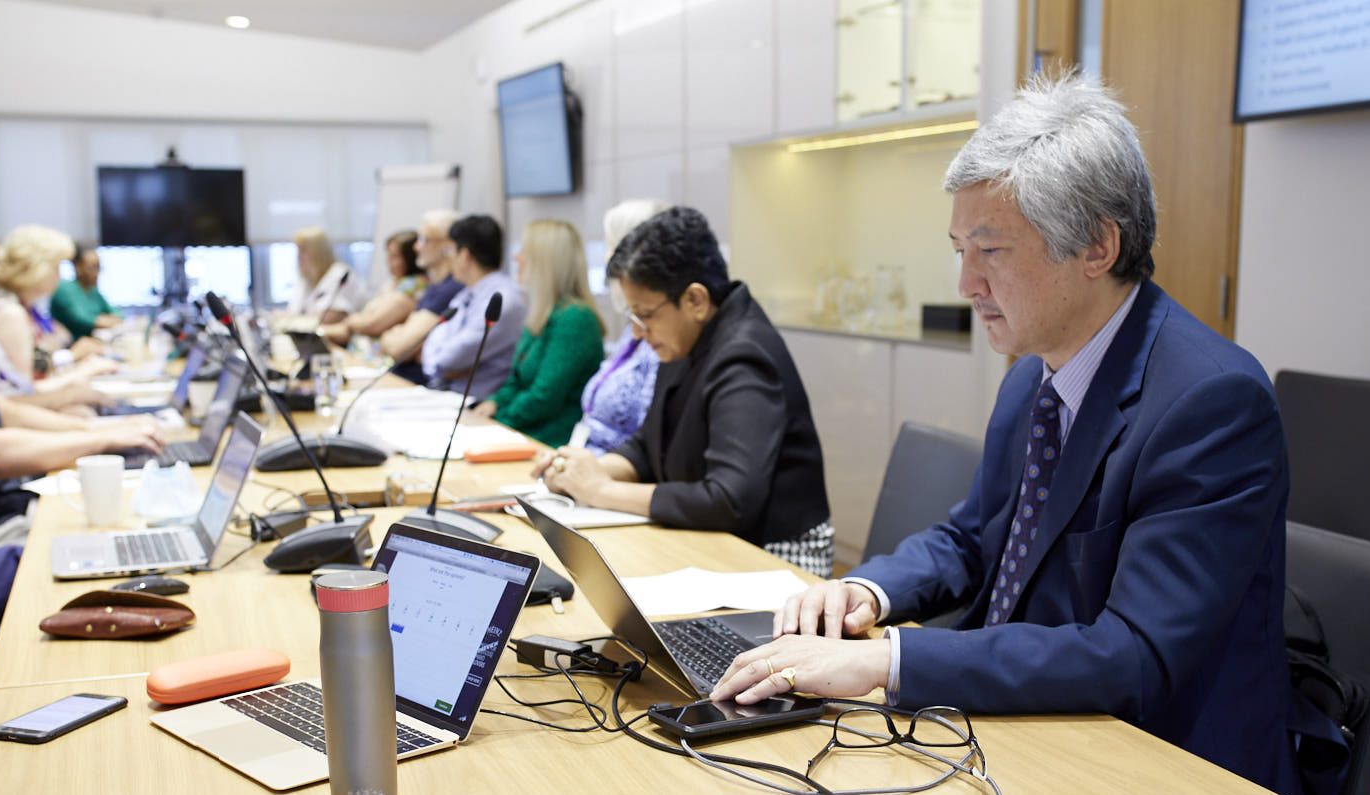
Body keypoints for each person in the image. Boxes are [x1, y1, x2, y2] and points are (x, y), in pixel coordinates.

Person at [709, 75, 1300, 795]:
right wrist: (867, 590)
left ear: (1097, 246)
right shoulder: (1034, 372)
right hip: (1022, 726)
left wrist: (887, 661)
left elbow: (1133, 655)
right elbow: (973, 536)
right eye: (958, 249)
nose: (964, 284)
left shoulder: (1211, 403)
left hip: (1160, 755)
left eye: (989, 251)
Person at [537, 208, 836, 576]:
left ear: (695, 300)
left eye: (645, 315)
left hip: (775, 556)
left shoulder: (745, 356)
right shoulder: (684, 336)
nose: (637, 332)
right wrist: (583, 472)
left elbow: (727, 500)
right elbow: (648, 445)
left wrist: (600, 491)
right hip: (714, 538)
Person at [0, 371, 162, 555]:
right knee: (122, 544)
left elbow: (10, 413)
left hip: (7, 509)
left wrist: (99, 429)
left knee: (139, 527)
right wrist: (103, 439)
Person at [470, 220, 603, 447]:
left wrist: (498, 421)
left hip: (546, 440)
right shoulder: (544, 314)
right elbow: (517, 379)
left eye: (524, 252)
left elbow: (545, 397)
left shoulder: (575, 319)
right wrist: (494, 403)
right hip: (522, 431)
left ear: (546, 262)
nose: (516, 258)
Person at [570, 199, 666, 454]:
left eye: (610, 245)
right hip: (587, 465)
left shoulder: (663, 338)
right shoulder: (633, 328)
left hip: (612, 476)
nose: (605, 258)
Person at [0, 235, 109, 411]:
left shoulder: (24, 307)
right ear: (37, 269)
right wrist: (79, 378)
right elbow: (20, 393)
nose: (60, 277)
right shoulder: (10, 313)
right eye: (56, 268)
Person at [420, 215, 526, 398]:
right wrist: (440, 367)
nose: (448, 259)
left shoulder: (504, 300)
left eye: (449, 252)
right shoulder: (465, 295)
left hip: (475, 404)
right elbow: (433, 346)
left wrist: (441, 366)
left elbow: (449, 360)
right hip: (447, 394)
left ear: (464, 255)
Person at [381, 209, 463, 383]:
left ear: (447, 246)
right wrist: (399, 335)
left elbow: (400, 348)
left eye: (424, 240)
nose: (416, 247)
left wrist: (396, 336)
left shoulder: (451, 288)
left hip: (419, 385)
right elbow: (403, 342)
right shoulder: (434, 286)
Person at [319, 230, 425, 346]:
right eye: (388, 254)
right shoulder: (392, 283)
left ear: (410, 258)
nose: (388, 260)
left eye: (394, 256)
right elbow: (352, 327)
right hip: (356, 344)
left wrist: (352, 320)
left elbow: (371, 324)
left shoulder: (413, 285)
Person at [287, 226, 363, 324]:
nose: (298, 256)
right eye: (298, 250)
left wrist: (290, 320)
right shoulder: (306, 280)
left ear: (319, 252)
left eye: (303, 250)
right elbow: (294, 311)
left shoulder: (340, 275)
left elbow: (332, 317)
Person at [49, 243, 121, 339]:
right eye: (92, 267)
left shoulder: (93, 291)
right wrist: (106, 321)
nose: (97, 273)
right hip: (70, 347)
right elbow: (83, 319)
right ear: (77, 267)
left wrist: (108, 320)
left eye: (99, 267)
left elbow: (117, 315)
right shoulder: (64, 288)